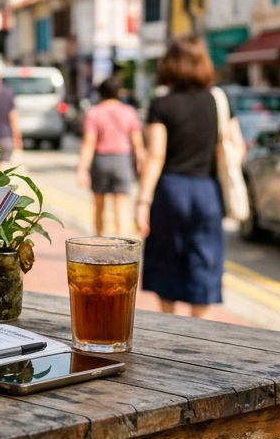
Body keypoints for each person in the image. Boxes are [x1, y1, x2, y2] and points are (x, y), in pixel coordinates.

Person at [134, 38, 235, 318]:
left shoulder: (162, 103)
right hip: (207, 188)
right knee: (204, 258)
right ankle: (199, 324)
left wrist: (143, 201)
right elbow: (235, 144)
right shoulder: (218, 100)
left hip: (171, 189)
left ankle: (170, 319)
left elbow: (156, 155)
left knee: (167, 257)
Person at [77, 76, 144, 236]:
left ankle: (99, 244)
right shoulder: (129, 112)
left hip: (101, 160)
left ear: (100, 93)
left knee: (99, 208)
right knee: (121, 207)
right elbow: (137, 142)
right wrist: (140, 162)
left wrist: (82, 169)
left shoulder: (94, 113)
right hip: (122, 160)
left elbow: (89, 143)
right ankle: (120, 249)